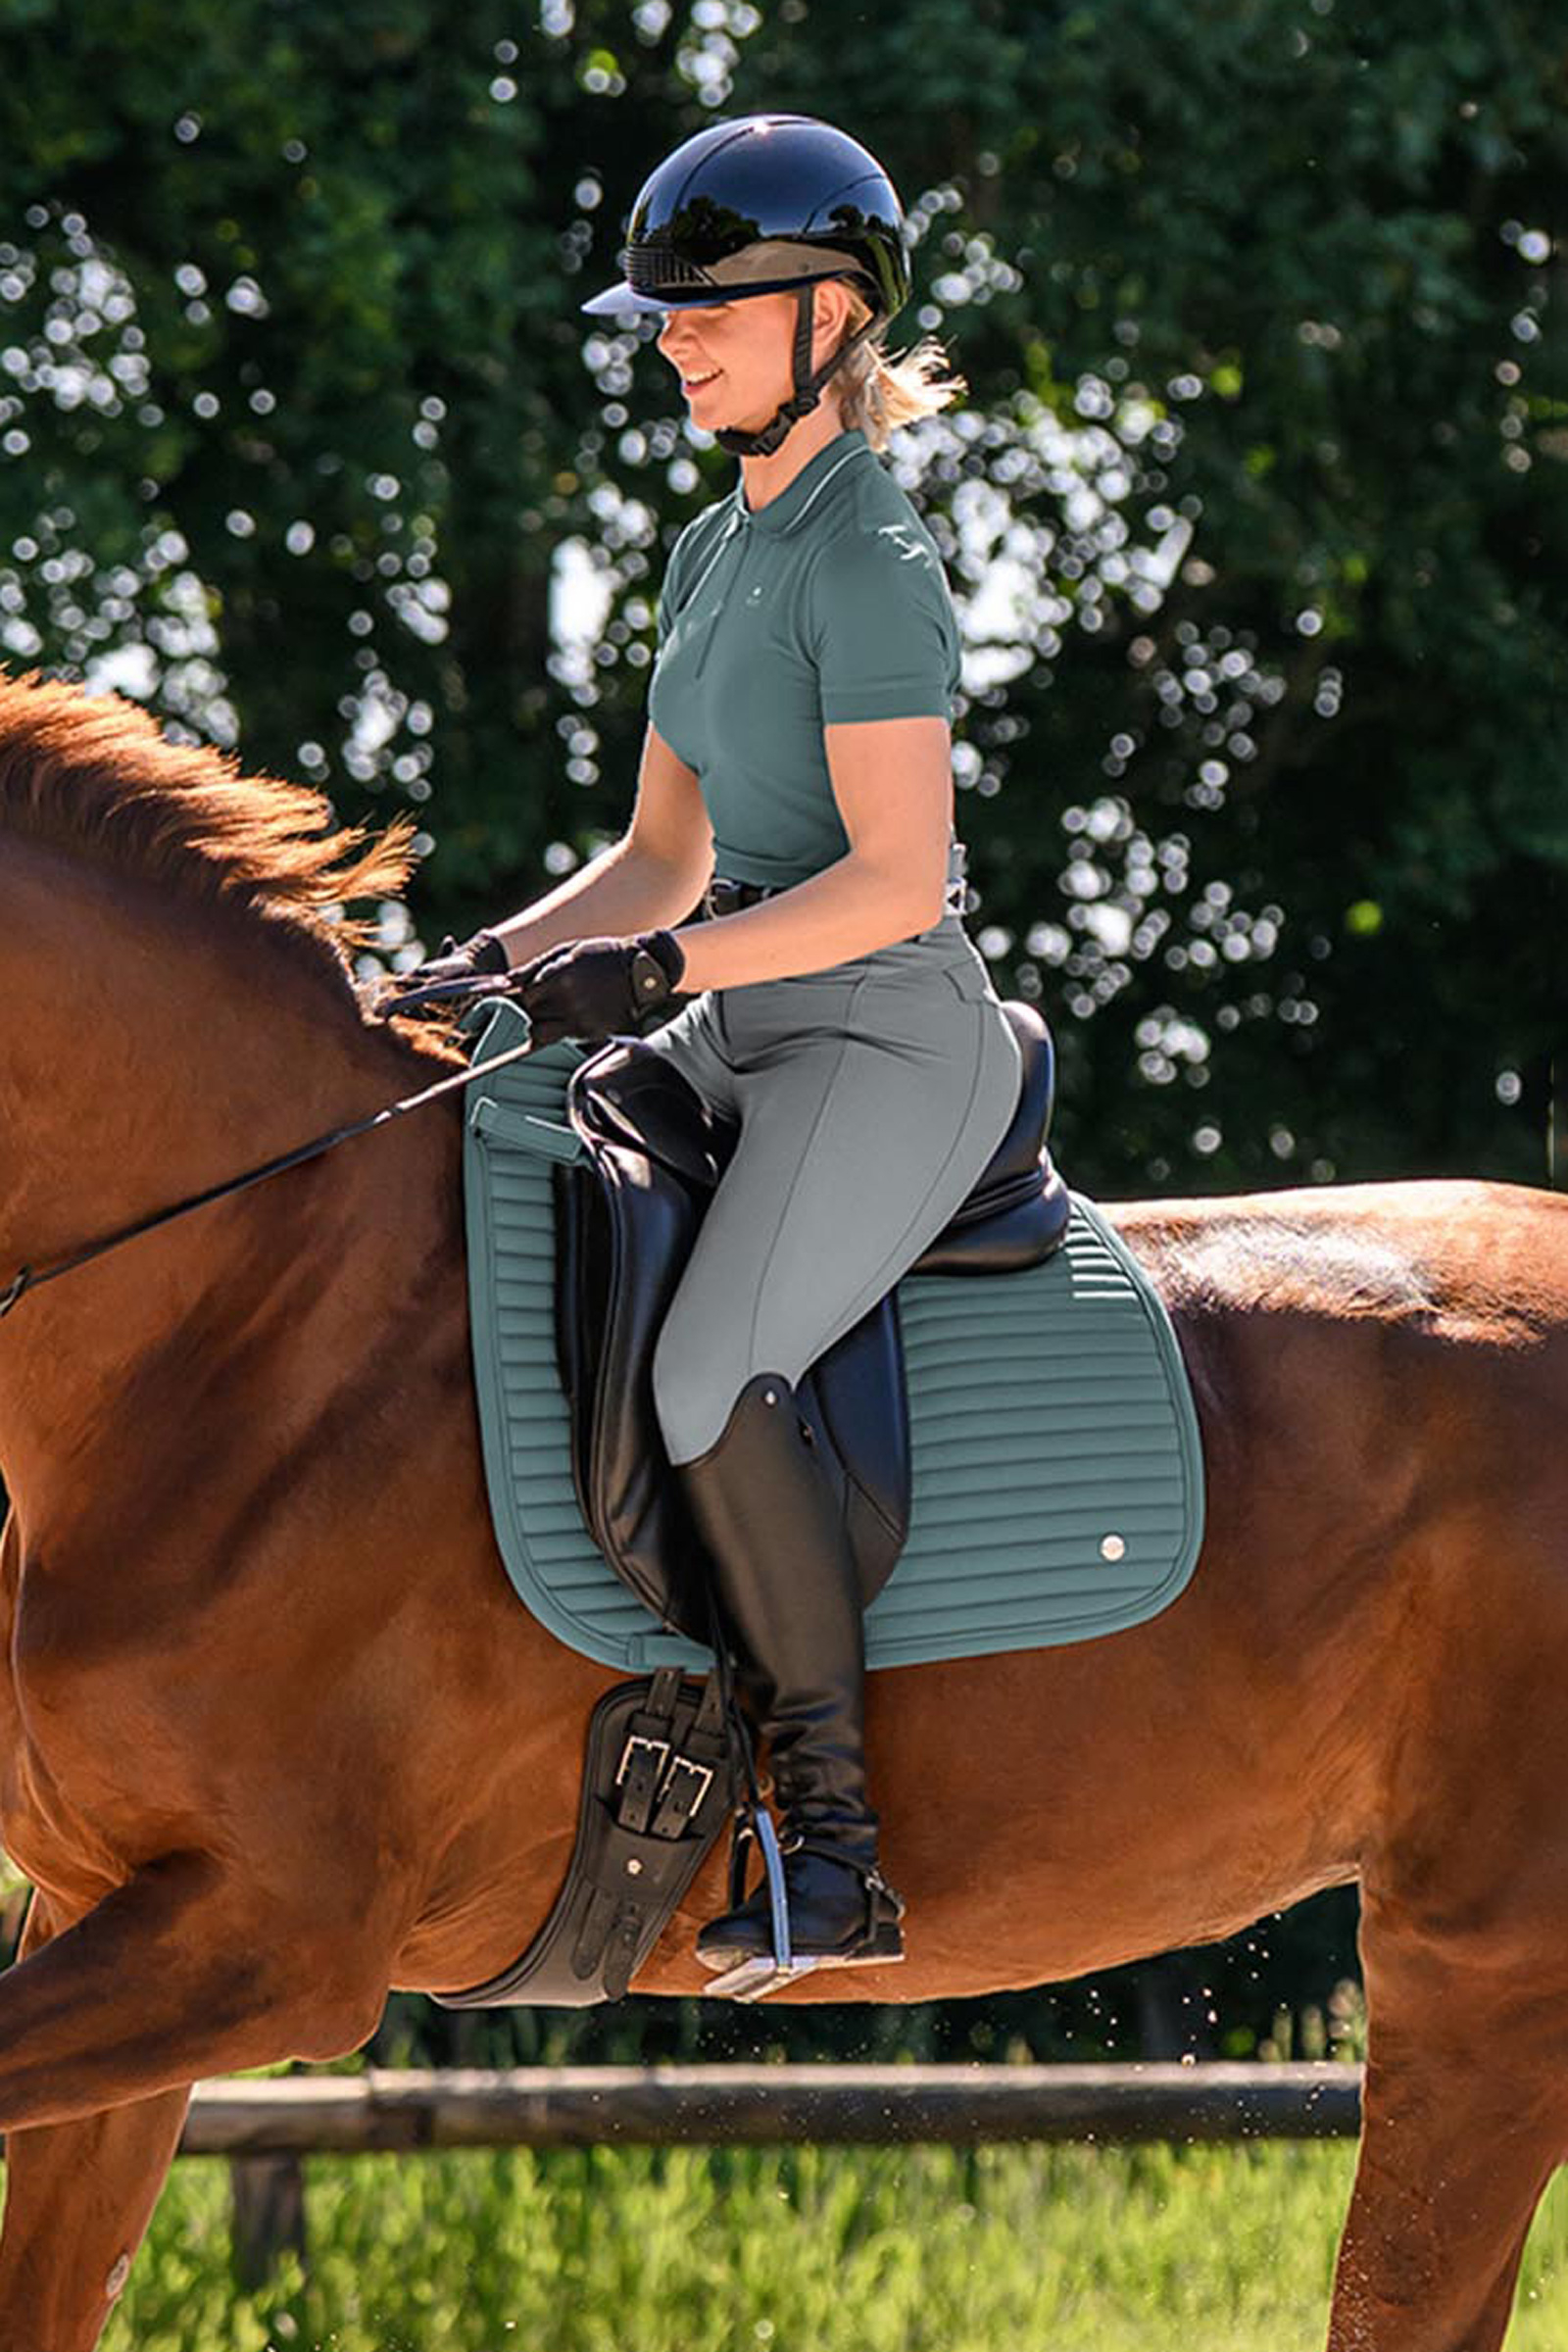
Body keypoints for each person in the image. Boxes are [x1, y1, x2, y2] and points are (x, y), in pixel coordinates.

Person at [408, 114, 1023, 1982]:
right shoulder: (705, 546)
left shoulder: (871, 563)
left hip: (886, 1038)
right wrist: (490, 961)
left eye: (709, 313)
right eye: (661, 316)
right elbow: (660, 852)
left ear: (829, 315)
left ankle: (833, 1846)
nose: (670, 342)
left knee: (708, 1370)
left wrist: (668, 963)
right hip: (737, 1019)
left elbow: (902, 882)